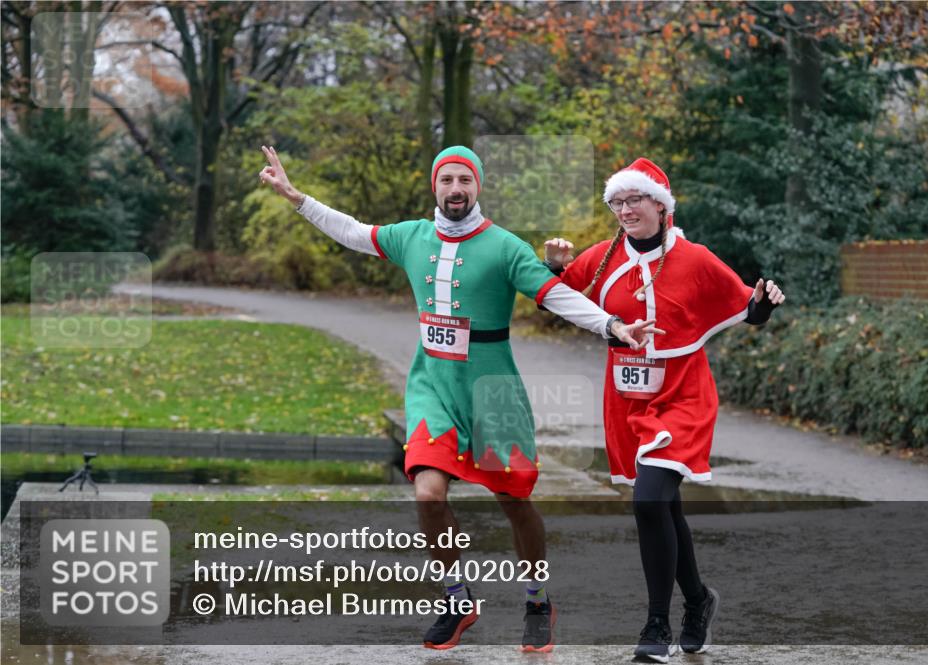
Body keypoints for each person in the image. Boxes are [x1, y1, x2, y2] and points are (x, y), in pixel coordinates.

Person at [258, 145, 659, 651]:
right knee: (428, 494)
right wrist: (297, 197)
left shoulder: (505, 247)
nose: (455, 189)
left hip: (493, 389)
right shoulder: (410, 237)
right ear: (435, 186)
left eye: (464, 181)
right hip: (433, 386)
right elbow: (353, 232)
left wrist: (612, 326)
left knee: (515, 503)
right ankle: (456, 599)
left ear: (477, 188)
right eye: (446, 180)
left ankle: (537, 599)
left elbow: (556, 296)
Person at [543, 158, 785, 662]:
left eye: (635, 200)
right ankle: (698, 601)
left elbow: (748, 307)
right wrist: (553, 267)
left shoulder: (694, 258)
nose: (626, 210)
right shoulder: (604, 257)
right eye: (618, 202)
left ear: (660, 204)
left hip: (682, 395)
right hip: (625, 398)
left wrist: (765, 301)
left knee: (650, 502)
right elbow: (554, 300)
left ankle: (656, 624)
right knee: (662, 507)